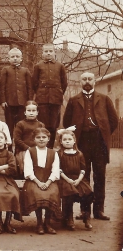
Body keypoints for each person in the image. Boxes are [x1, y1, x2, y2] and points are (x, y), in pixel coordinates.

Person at [63, 71, 118, 220]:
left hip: (99, 142)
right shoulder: (74, 100)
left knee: (100, 176)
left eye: (90, 79)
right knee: (83, 175)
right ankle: (84, 210)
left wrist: (104, 133)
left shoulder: (105, 99)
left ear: (94, 81)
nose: (87, 81)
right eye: (84, 79)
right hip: (81, 142)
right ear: (80, 82)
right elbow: (67, 122)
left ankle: (99, 210)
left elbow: (114, 121)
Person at [21, 128, 61, 235]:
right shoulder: (30, 152)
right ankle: (39, 223)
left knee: (52, 193)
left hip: (49, 180)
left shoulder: (53, 153)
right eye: (38, 137)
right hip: (34, 180)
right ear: (34, 139)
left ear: (48, 139)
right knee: (37, 193)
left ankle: (47, 223)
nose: (41, 140)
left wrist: (48, 182)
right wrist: (38, 182)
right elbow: (28, 170)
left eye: (44, 137)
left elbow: (55, 170)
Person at [32, 43, 68, 148]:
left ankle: (50, 148)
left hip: (55, 100)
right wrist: (40, 93)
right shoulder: (38, 66)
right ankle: (42, 147)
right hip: (42, 100)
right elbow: (34, 83)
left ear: (54, 52)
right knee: (43, 125)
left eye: (50, 51)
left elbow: (64, 83)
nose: (48, 53)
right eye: (46, 51)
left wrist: (57, 93)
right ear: (42, 53)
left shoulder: (60, 66)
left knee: (53, 125)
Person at [57, 129, 93, 231]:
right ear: (61, 141)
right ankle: (69, 218)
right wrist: (68, 180)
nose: (67, 141)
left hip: (78, 179)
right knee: (69, 193)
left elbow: (83, 169)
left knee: (87, 192)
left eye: (69, 139)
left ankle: (86, 217)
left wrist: (78, 180)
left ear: (74, 141)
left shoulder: (79, 154)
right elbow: (58, 170)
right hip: (65, 179)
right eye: (65, 139)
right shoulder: (60, 154)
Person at [0, 48, 33, 136]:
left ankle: (19, 149)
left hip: (22, 104)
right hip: (9, 103)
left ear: (21, 58)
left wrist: (29, 102)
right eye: (12, 56)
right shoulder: (5, 70)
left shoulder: (25, 71)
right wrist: (2, 101)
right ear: (9, 59)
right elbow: (1, 87)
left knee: (21, 126)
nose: (15, 58)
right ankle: (9, 148)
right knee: (9, 126)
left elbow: (30, 87)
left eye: (17, 56)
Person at [13, 101, 45, 176]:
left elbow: (44, 138)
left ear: (37, 112)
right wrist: (28, 148)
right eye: (29, 110)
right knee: (25, 161)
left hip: (38, 150)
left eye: (33, 111)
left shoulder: (40, 125)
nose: (31, 113)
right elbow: (17, 139)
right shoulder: (20, 124)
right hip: (23, 150)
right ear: (25, 112)